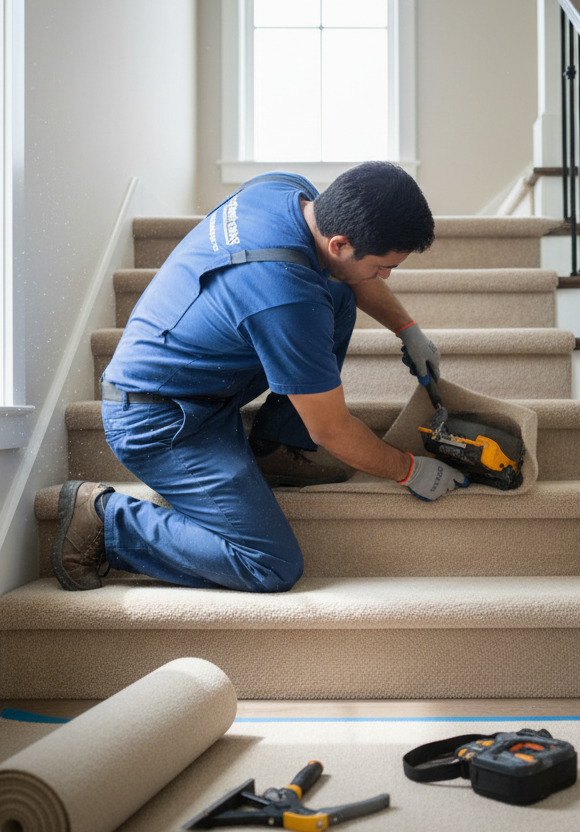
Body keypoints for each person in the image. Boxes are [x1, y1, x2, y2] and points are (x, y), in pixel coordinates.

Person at [50, 162, 469, 594]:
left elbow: (343, 275)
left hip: (197, 377)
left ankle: (278, 444)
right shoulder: (288, 298)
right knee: (270, 565)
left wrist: (406, 328)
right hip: (160, 422)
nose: (384, 277)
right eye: (384, 267)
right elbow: (332, 429)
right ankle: (107, 519)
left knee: (340, 291)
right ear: (341, 242)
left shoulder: (285, 191)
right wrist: (407, 469)